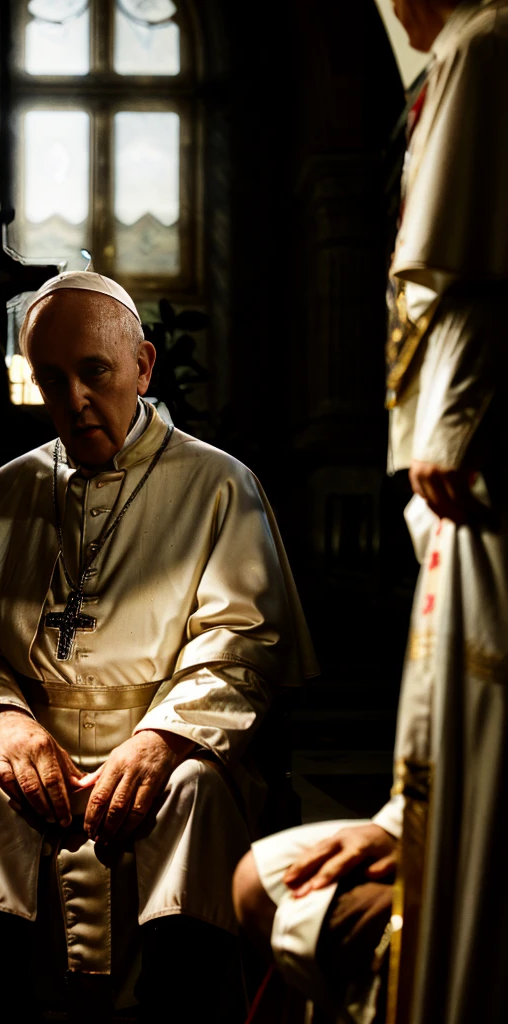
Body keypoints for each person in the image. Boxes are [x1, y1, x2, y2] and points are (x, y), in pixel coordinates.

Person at [0, 271, 317, 1021]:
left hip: (169, 739)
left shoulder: (220, 485)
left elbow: (245, 641)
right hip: (32, 750)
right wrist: (2, 717)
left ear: (143, 366)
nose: (75, 400)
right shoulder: (3, 493)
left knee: (194, 790)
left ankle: (178, 1009)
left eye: (96, 373)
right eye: (52, 380)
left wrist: (164, 738)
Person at [233, 3, 508, 1022]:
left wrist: (453, 418)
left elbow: (464, 282)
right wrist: (398, 818)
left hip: (474, 481)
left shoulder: (486, 44)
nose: (391, 5)